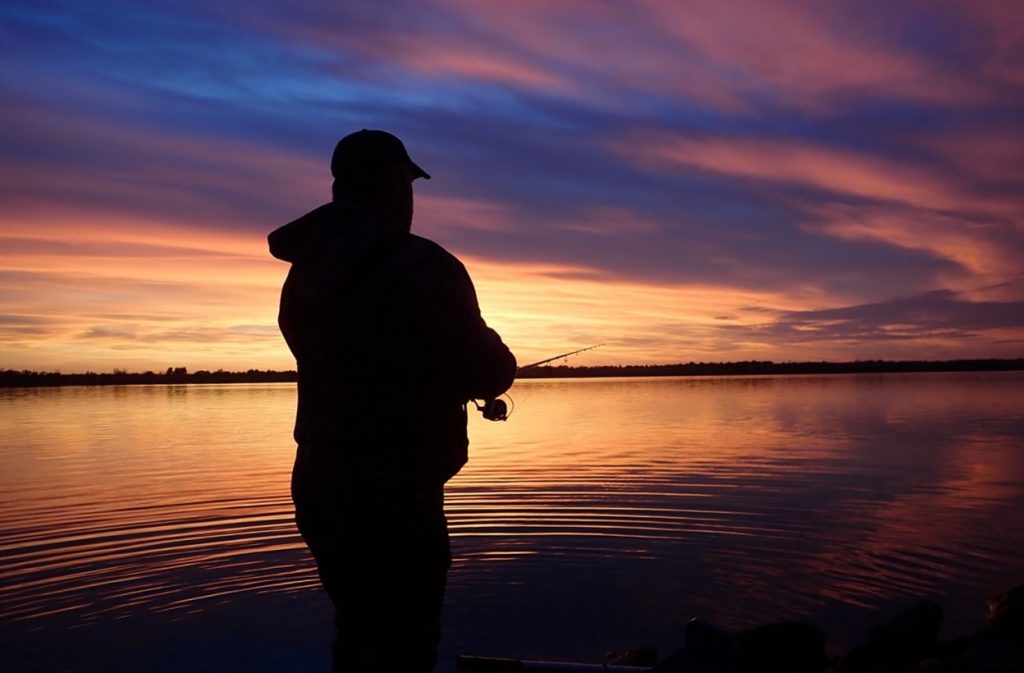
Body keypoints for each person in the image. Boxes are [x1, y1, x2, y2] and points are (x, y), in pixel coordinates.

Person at [269, 129, 516, 673]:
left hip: (319, 484)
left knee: (358, 632)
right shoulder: (422, 264)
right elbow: (489, 370)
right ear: (391, 185)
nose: (411, 198)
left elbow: (368, 359)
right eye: (408, 183)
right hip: (393, 494)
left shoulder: (305, 273)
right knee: (405, 643)